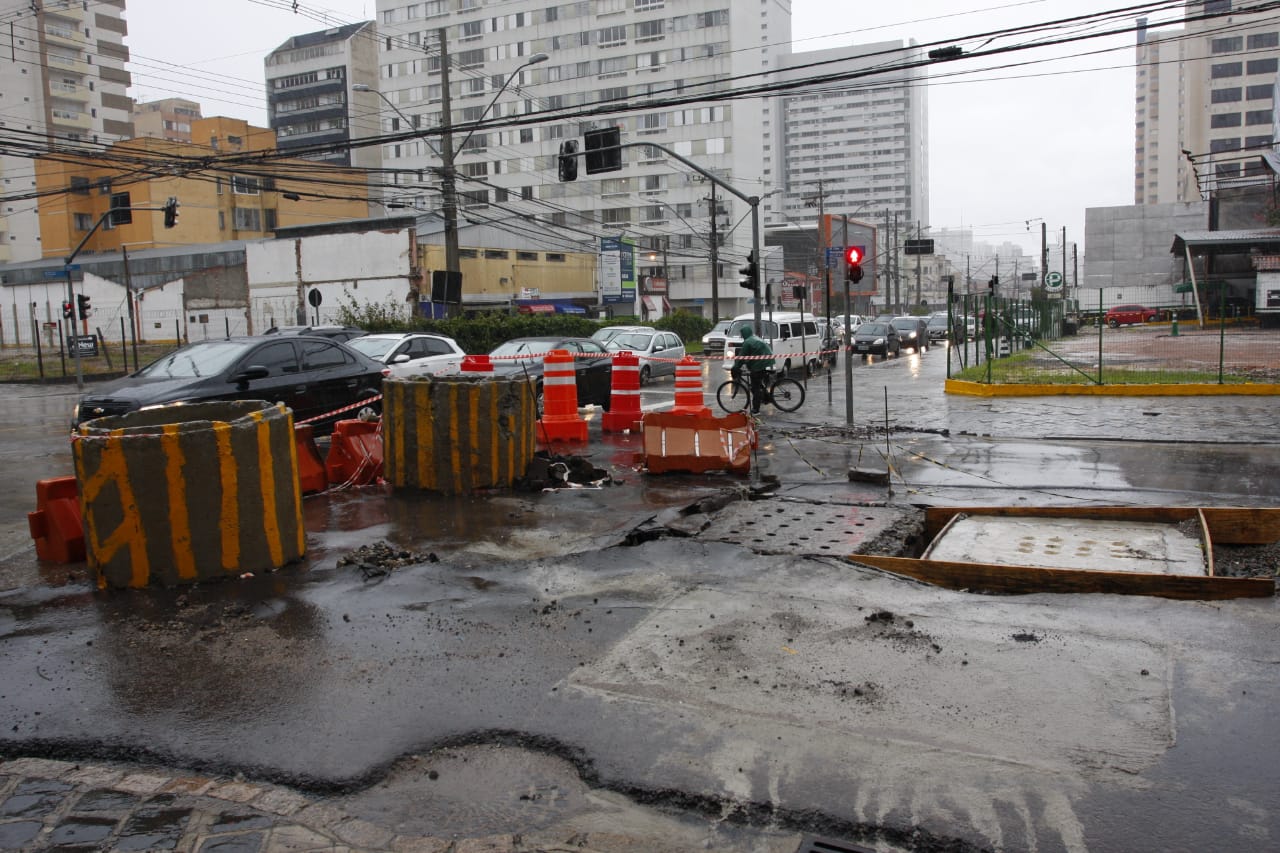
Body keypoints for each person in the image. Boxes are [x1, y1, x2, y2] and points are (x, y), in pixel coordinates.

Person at [734, 324, 773, 414]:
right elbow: (748, 356)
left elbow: (741, 357)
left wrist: (736, 367)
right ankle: (766, 397)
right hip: (766, 360)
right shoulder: (754, 338)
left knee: (755, 387)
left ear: (744, 334)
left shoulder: (747, 342)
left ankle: (756, 409)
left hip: (760, 363)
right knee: (757, 382)